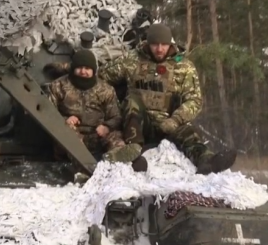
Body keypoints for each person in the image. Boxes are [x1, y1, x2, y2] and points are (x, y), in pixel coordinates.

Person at [100, 23, 237, 174]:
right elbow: (101, 79)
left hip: (169, 122)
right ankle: (133, 150)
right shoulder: (132, 60)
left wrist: (176, 120)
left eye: (164, 45)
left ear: (170, 43)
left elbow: (194, 100)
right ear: (147, 43)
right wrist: (111, 106)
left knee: (188, 133)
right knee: (132, 101)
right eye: (155, 45)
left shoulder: (183, 66)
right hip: (137, 123)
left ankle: (206, 160)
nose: (159, 49)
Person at [46, 49, 144, 169]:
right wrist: (65, 119)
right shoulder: (57, 86)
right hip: (71, 137)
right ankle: (83, 168)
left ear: (93, 70)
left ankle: (117, 160)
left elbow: (116, 116)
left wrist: (106, 126)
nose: (83, 72)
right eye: (79, 68)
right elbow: (47, 113)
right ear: (73, 68)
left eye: (87, 68)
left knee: (115, 136)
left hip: (97, 136)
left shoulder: (105, 90)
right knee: (68, 133)